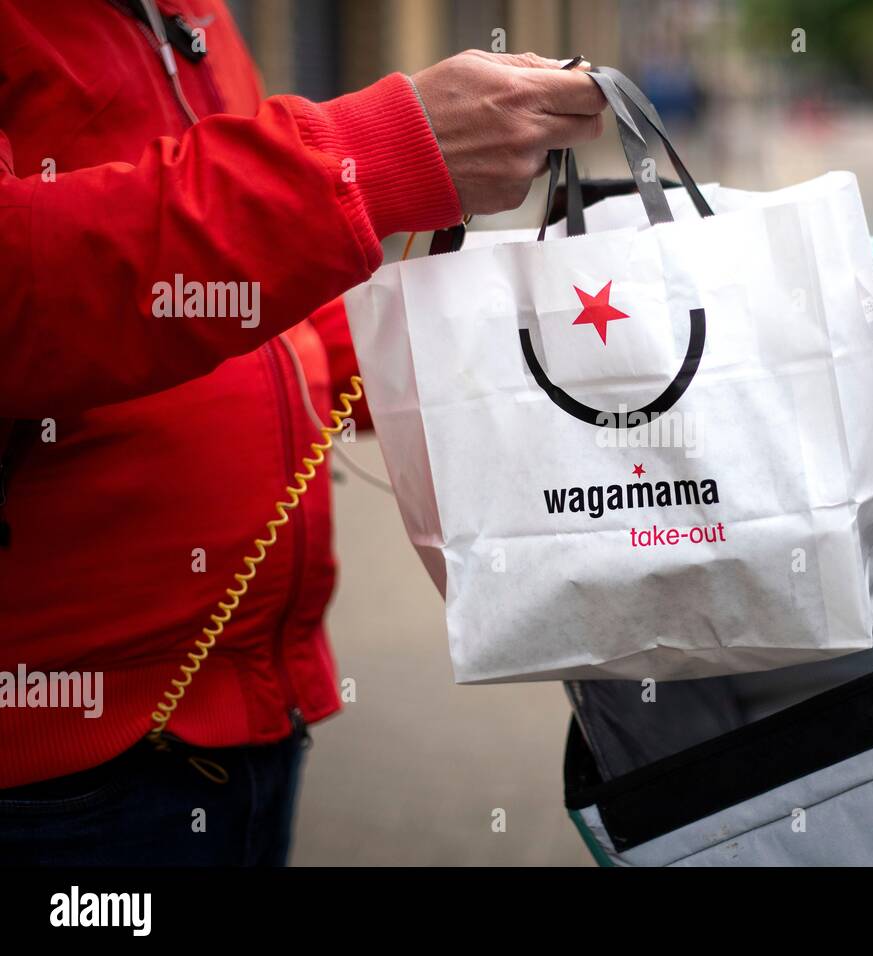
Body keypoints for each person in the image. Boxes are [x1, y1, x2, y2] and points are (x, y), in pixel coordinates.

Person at [0, 0, 604, 865]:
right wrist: (375, 153)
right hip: (60, 772)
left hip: (248, 719)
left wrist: (544, 352)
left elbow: (246, 307)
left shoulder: (186, 11)